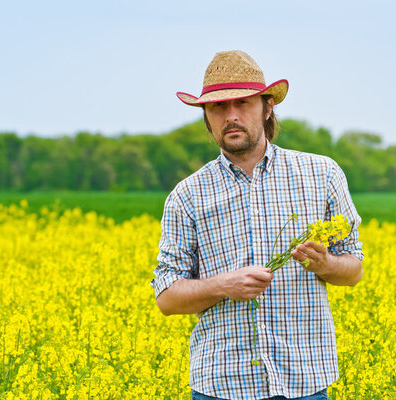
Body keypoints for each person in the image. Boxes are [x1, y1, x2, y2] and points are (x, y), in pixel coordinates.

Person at [150, 50, 364, 400]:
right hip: (221, 386)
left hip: (304, 382)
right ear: (206, 116)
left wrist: (326, 264)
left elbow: (353, 269)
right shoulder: (186, 195)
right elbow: (167, 297)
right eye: (218, 107)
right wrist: (222, 285)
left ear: (267, 107)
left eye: (243, 103)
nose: (231, 116)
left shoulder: (322, 175)